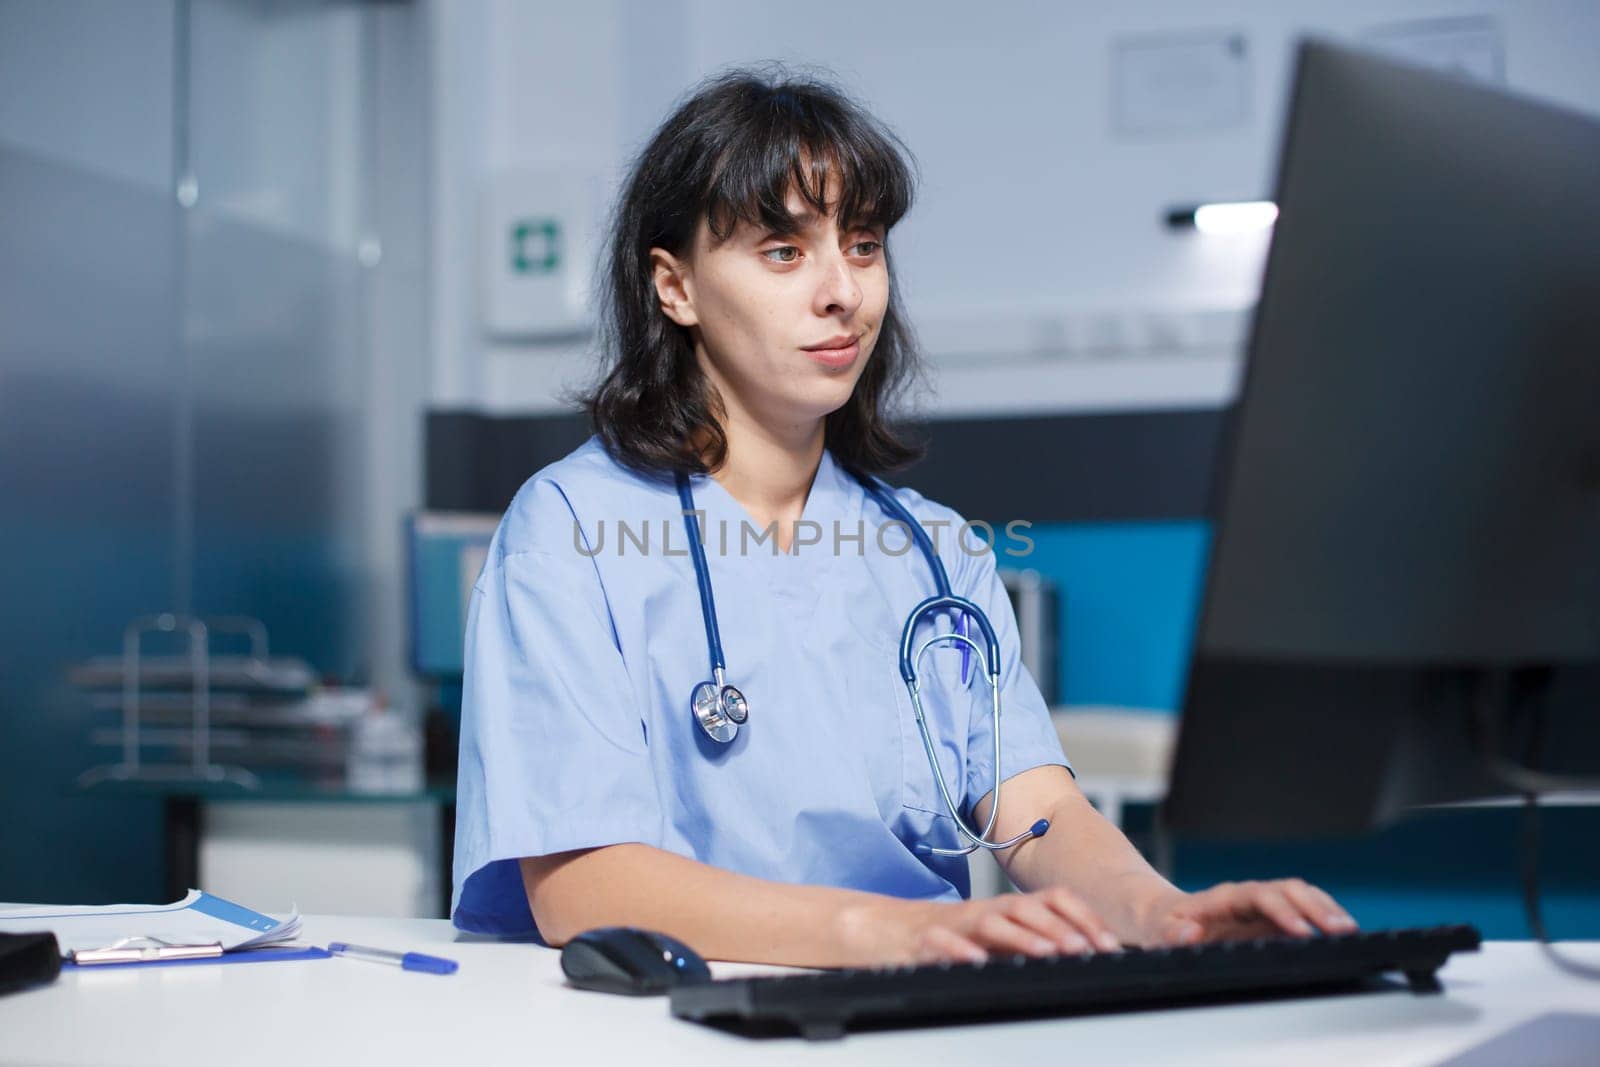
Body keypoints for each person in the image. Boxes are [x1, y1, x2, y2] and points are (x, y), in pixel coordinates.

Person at [451, 67, 1357, 968]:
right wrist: (898, 931)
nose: (843, 290)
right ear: (674, 286)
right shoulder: (570, 530)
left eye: (863, 243)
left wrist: (1163, 914)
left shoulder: (934, 553)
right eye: (783, 251)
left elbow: (1037, 813)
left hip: (916, 1009)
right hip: (681, 1021)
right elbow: (584, 887)